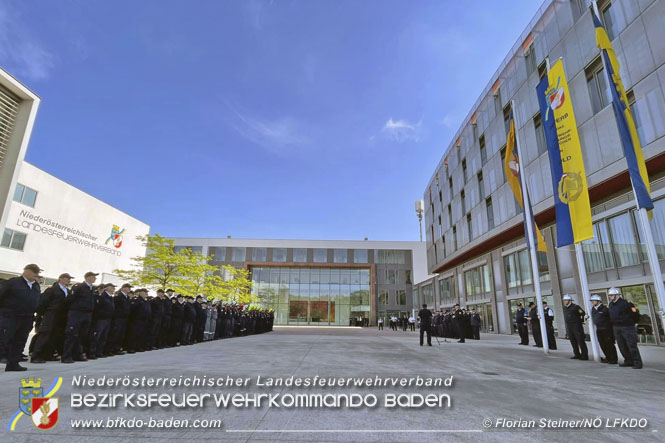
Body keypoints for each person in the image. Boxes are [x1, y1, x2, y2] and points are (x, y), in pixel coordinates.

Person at [0, 264, 41, 371]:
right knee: (4, 339)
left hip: (27, 317)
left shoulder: (36, 285)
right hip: (11, 316)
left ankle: (13, 364)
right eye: (33, 272)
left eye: (36, 273)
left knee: (19, 341)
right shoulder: (13, 282)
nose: (35, 275)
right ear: (26, 271)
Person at [31, 272, 72, 363]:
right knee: (45, 334)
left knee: (55, 336)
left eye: (69, 279)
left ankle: (48, 354)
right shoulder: (52, 289)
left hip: (62, 316)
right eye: (66, 278)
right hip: (51, 313)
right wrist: (41, 314)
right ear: (60, 279)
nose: (68, 280)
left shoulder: (68, 291)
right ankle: (36, 355)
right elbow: (43, 302)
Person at [62, 271, 97, 363]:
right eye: (93, 277)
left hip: (87, 314)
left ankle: (78, 354)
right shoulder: (79, 287)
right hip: (77, 313)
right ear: (88, 277)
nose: (95, 279)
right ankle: (66, 356)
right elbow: (70, 299)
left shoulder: (92, 289)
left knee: (82, 336)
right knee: (71, 334)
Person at [608, 287, 642, 369]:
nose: (610, 297)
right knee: (621, 345)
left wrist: (636, 322)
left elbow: (635, 312)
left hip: (627, 326)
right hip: (616, 327)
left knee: (631, 345)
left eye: (612, 295)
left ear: (617, 295)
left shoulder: (627, 303)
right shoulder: (611, 304)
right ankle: (628, 360)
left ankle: (637, 362)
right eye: (610, 295)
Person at [88, 282, 115, 359]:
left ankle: (99, 352)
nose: (113, 289)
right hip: (101, 319)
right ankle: (92, 352)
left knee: (103, 336)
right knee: (96, 336)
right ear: (107, 288)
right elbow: (98, 307)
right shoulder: (102, 296)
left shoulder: (110, 297)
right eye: (112, 287)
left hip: (108, 319)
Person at [590, 294, 618, 364]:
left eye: (594, 301)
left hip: (606, 329)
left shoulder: (605, 308)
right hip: (599, 329)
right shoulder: (593, 309)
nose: (592, 302)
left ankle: (613, 359)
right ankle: (608, 358)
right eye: (592, 301)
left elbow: (611, 318)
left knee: (609, 344)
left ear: (598, 301)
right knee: (602, 344)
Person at [562, 294, 588, 360]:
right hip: (569, 326)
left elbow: (582, 313)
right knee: (572, 340)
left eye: (566, 300)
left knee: (580, 340)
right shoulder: (565, 308)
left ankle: (584, 355)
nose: (564, 301)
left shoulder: (575, 307)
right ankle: (577, 354)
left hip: (576, 326)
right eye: (564, 300)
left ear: (570, 300)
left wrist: (580, 321)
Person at [108, 283, 132, 355]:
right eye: (128, 287)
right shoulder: (118, 296)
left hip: (124, 318)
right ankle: (111, 349)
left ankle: (117, 348)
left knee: (121, 334)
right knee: (115, 334)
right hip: (118, 318)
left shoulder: (127, 297)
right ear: (123, 288)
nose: (129, 289)